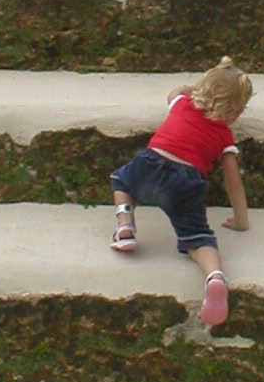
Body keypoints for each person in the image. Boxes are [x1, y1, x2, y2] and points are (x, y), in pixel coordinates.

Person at [108, 57, 253, 327]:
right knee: (198, 239)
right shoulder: (224, 138)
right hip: (184, 184)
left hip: (148, 167)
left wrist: (192, 88)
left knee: (121, 180)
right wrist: (242, 220)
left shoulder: (182, 104)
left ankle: (126, 226)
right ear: (236, 112)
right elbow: (234, 184)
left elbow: (173, 92)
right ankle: (215, 277)